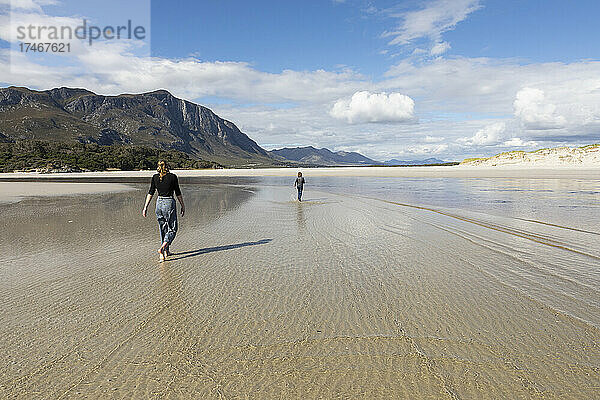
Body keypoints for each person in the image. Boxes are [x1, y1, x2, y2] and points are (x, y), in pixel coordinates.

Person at [142, 161, 185, 262]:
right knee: (173, 229)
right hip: (169, 202)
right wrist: (182, 205)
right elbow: (178, 192)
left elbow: (151, 192)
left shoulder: (155, 177)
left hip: (159, 203)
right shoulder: (173, 177)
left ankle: (165, 252)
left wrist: (145, 207)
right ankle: (162, 248)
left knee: (163, 228)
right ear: (168, 167)